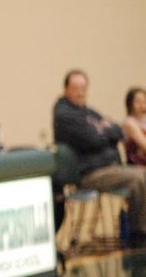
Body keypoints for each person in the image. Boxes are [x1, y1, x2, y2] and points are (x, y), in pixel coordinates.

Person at [53, 69, 146, 245]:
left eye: (83, 88)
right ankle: (139, 236)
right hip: (89, 174)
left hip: (108, 168)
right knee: (140, 178)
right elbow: (91, 138)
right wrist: (102, 131)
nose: (80, 92)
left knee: (141, 173)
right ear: (66, 90)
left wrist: (101, 130)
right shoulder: (64, 114)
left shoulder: (88, 112)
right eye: (76, 88)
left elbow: (117, 130)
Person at [123, 86, 146, 166]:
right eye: (138, 102)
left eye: (144, 101)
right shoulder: (129, 122)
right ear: (130, 104)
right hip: (137, 164)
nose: (142, 105)